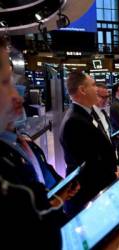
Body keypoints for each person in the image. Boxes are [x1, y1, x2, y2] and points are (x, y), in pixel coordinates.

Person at [0, 35, 63, 250]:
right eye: (5, 82)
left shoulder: (11, 149)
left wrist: (53, 200)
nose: (18, 98)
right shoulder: (10, 184)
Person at [60, 71, 119, 216]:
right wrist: (112, 176)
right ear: (82, 90)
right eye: (93, 85)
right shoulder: (74, 121)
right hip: (89, 194)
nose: (97, 89)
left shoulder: (85, 113)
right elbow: (89, 166)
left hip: (96, 188)